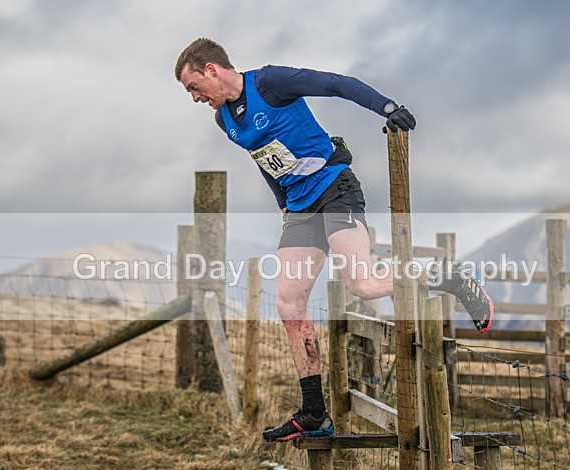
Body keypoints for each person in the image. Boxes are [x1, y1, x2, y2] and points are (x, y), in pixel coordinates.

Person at [174, 38, 494, 442]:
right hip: (299, 207)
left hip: (334, 187)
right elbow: (267, 161)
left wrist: (386, 107)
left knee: (361, 283)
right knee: (289, 302)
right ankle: (314, 412)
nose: (194, 98)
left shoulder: (270, 83)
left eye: (192, 87)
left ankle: (449, 277)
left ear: (210, 70)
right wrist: (284, 205)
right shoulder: (226, 122)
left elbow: (334, 84)